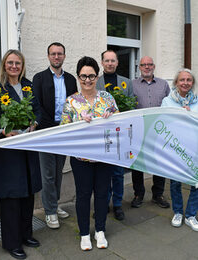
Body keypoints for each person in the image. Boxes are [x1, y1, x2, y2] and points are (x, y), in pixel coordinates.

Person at [0, 49, 42, 259]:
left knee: (27, 194)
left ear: (22, 65)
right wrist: (2, 131)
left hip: (27, 148)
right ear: (4, 65)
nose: (14, 66)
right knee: (11, 199)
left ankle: (26, 235)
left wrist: (35, 123)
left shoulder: (28, 86)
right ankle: (11, 243)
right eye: (10, 63)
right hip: (7, 152)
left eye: (18, 63)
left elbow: (38, 110)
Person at [61, 56, 118, 251]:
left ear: (97, 76)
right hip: (81, 158)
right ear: (78, 77)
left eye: (91, 76)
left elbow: (120, 124)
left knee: (102, 194)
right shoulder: (71, 102)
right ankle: (84, 233)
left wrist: (112, 118)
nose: (87, 80)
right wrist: (78, 124)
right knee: (83, 195)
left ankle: (100, 230)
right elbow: (63, 129)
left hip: (104, 156)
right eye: (83, 76)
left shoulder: (108, 98)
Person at [32, 42, 77, 229]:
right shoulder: (39, 78)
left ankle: (55, 205)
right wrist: (48, 127)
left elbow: (74, 103)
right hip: (46, 131)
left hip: (64, 130)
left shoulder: (71, 79)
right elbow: (37, 106)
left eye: (60, 54)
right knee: (48, 174)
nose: (56, 57)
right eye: (53, 54)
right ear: (48, 56)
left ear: (64, 56)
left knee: (59, 171)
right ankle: (49, 212)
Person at [96, 50, 133, 220]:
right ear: (102, 63)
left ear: (117, 63)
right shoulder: (96, 82)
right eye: (107, 60)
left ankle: (117, 204)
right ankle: (103, 204)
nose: (110, 63)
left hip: (120, 136)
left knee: (118, 173)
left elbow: (131, 106)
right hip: (101, 135)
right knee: (102, 175)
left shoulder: (126, 83)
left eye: (113, 60)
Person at [131, 56, 170, 208]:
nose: (146, 67)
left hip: (159, 131)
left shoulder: (163, 84)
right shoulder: (131, 85)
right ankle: (138, 193)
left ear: (154, 66)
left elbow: (169, 104)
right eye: (143, 65)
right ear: (139, 67)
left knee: (159, 163)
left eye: (149, 65)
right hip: (138, 131)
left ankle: (158, 194)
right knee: (138, 164)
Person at [161, 68, 198, 231]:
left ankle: (190, 215)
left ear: (193, 83)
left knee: (196, 183)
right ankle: (177, 212)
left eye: (189, 80)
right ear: (176, 82)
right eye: (182, 80)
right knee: (175, 182)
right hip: (175, 148)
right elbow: (162, 123)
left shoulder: (197, 101)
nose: (185, 83)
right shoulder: (167, 102)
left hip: (194, 148)